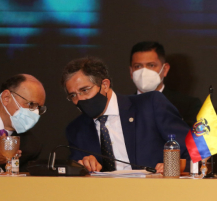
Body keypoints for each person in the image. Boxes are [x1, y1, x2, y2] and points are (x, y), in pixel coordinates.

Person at [62, 57, 190, 172]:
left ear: (105, 85)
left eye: (84, 90)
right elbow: (75, 172)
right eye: (73, 95)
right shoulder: (76, 129)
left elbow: (192, 150)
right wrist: (84, 165)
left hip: (156, 191)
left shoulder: (150, 105)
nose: (79, 100)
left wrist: (174, 166)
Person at [0, 74, 46, 171]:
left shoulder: (31, 146)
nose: (36, 113)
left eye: (39, 108)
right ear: (6, 98)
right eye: (31, 104)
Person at [129, 41, 202, 127]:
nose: (143, 72)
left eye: (151, 65)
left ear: (165, 69)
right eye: (138, 66)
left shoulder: (188, 106)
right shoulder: (121, 107)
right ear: (131, 71)